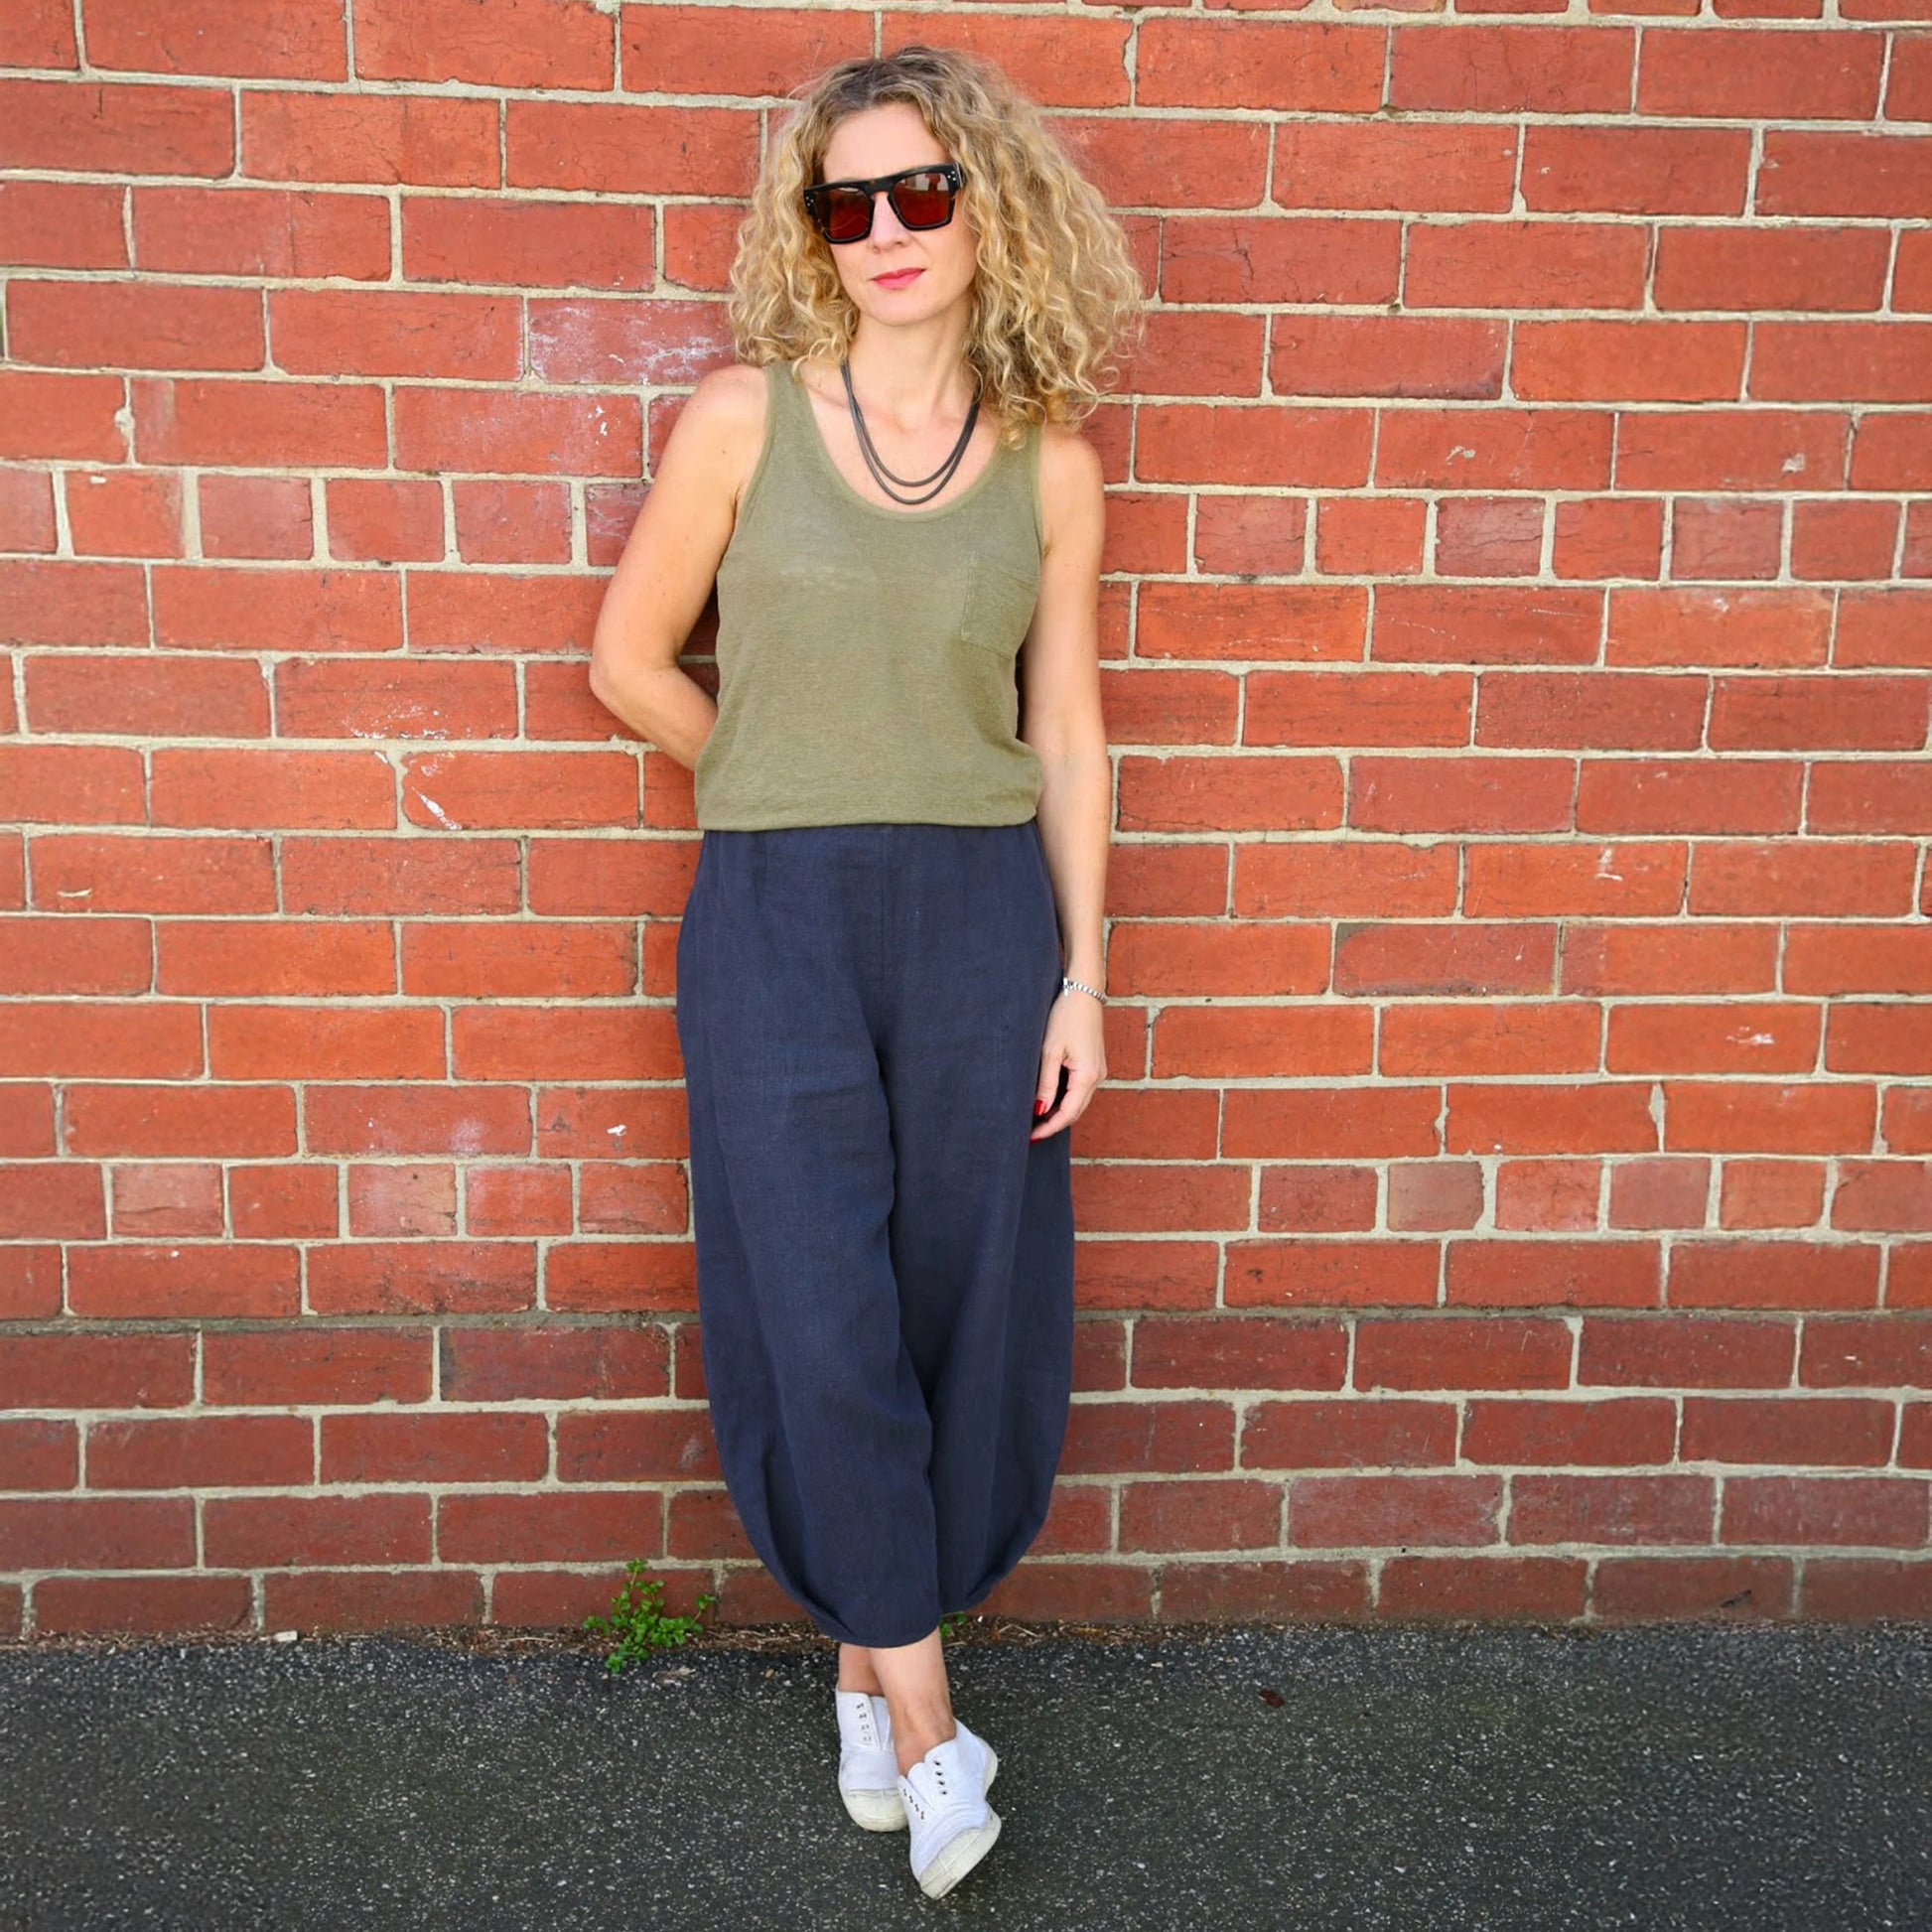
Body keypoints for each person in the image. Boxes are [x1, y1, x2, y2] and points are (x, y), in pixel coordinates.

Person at [588, 43, 1144, 1900]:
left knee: (956, 1303)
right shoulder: (741, 422)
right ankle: (927, 1722)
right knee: (815, 1301)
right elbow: (626, 659)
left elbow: (1066, 732)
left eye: (922, 191)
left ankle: (861, 1670)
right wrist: (766, 775)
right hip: (777, 915)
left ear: (991, 209)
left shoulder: (1051, 466)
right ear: (811, 232)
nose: (886, 229)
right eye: (846, 202)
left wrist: (1081, 976)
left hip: (981, 919)